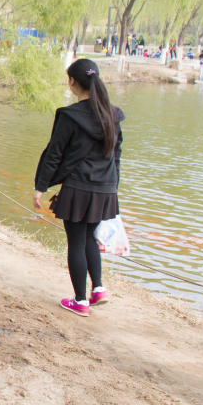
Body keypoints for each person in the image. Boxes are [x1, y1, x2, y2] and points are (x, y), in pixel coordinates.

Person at [33, 58, 125, 317]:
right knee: (88, 238)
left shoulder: (70, 115)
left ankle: (81, 301)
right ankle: (98, 289)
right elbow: (116, 155)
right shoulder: (112, 115)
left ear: (73, 82)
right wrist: (113, 187)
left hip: (78, 188)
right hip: (105, 189)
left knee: (76, 241)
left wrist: (40, 186)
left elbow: (54, 153)